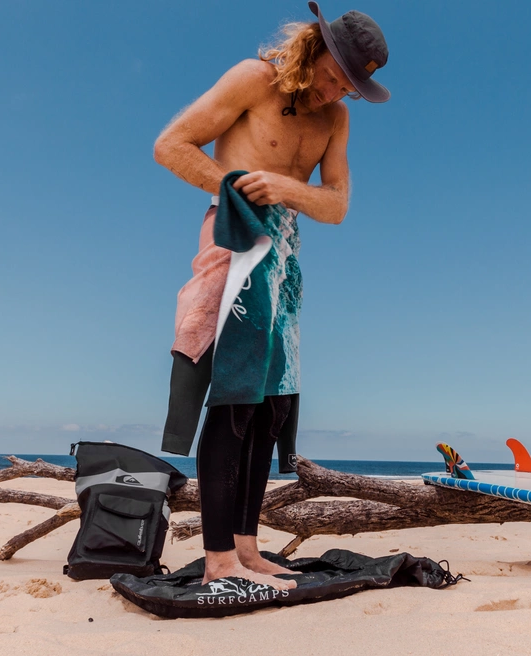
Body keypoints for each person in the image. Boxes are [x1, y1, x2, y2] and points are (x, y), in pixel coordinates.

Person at [154, 2, 390, 590]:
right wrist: (236, 187)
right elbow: (171, 145)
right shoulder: (252, 79)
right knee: (234, 398)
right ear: (314, 49)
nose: (337, 91)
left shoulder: (335, 120)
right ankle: (216, 561)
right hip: (236, 241)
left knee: (271, 406)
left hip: (285, 254)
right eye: (335, 75)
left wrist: (285, 188)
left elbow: (335, 206)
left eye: (351, 87)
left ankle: (247, 548)